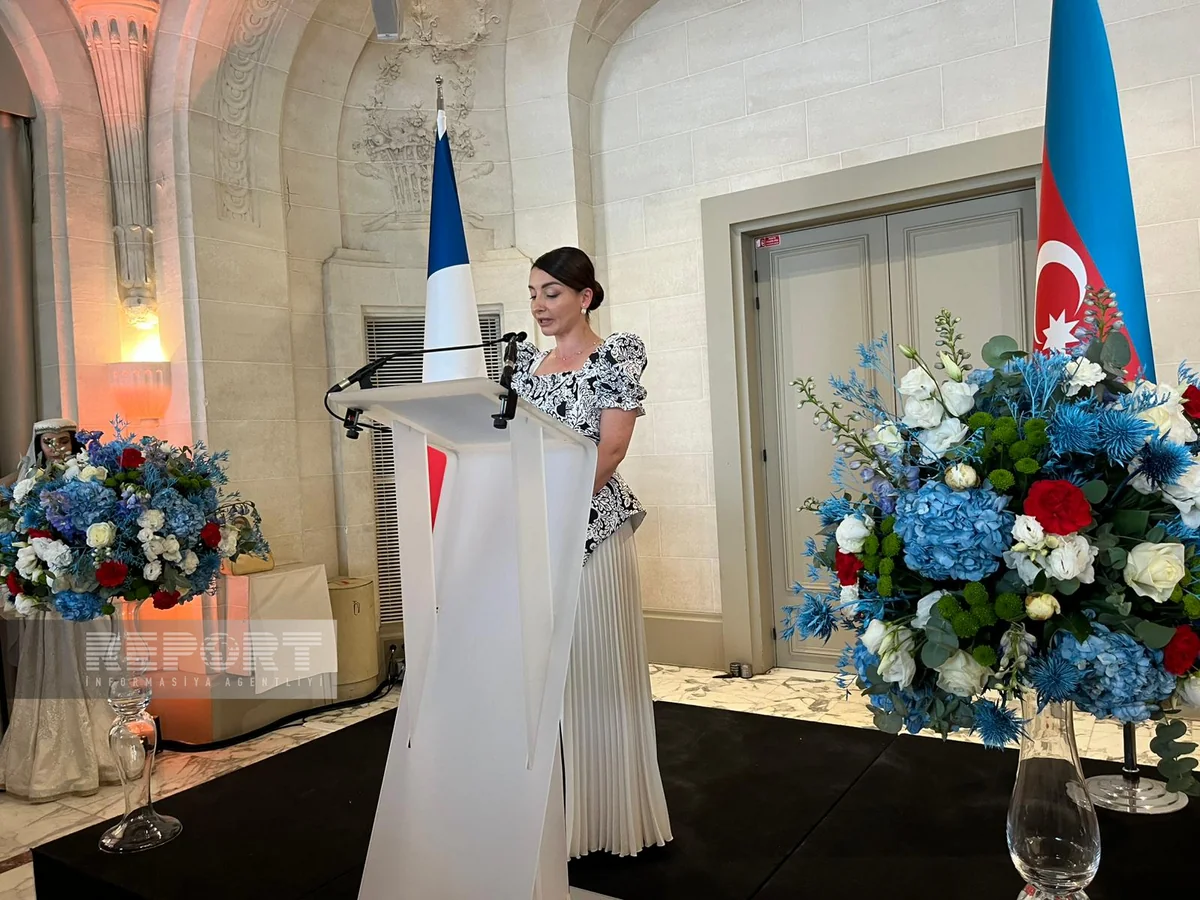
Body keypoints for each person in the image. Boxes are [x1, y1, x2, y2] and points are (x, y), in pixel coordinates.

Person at [511, 247, 672, 859]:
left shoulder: (615, 356)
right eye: (533, 293)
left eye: (551, 292)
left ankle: (609, 820)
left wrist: (561, 508)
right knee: (552, 676)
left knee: (598, 670)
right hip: (536, 532)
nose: (539, 305)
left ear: (585, 296)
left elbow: (610, 450)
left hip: (592, 531)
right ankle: (560, 816)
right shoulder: (526, 366)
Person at [0, 418, 118, 801]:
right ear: (39, 445)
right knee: (54, 667)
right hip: (50, 594)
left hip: (85, 588)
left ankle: (103, 755)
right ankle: (55, 763)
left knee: (93, 665)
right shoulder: (28, 484)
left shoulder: (89, 479)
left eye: (63, 441)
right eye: (48, 442)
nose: (57, 448)